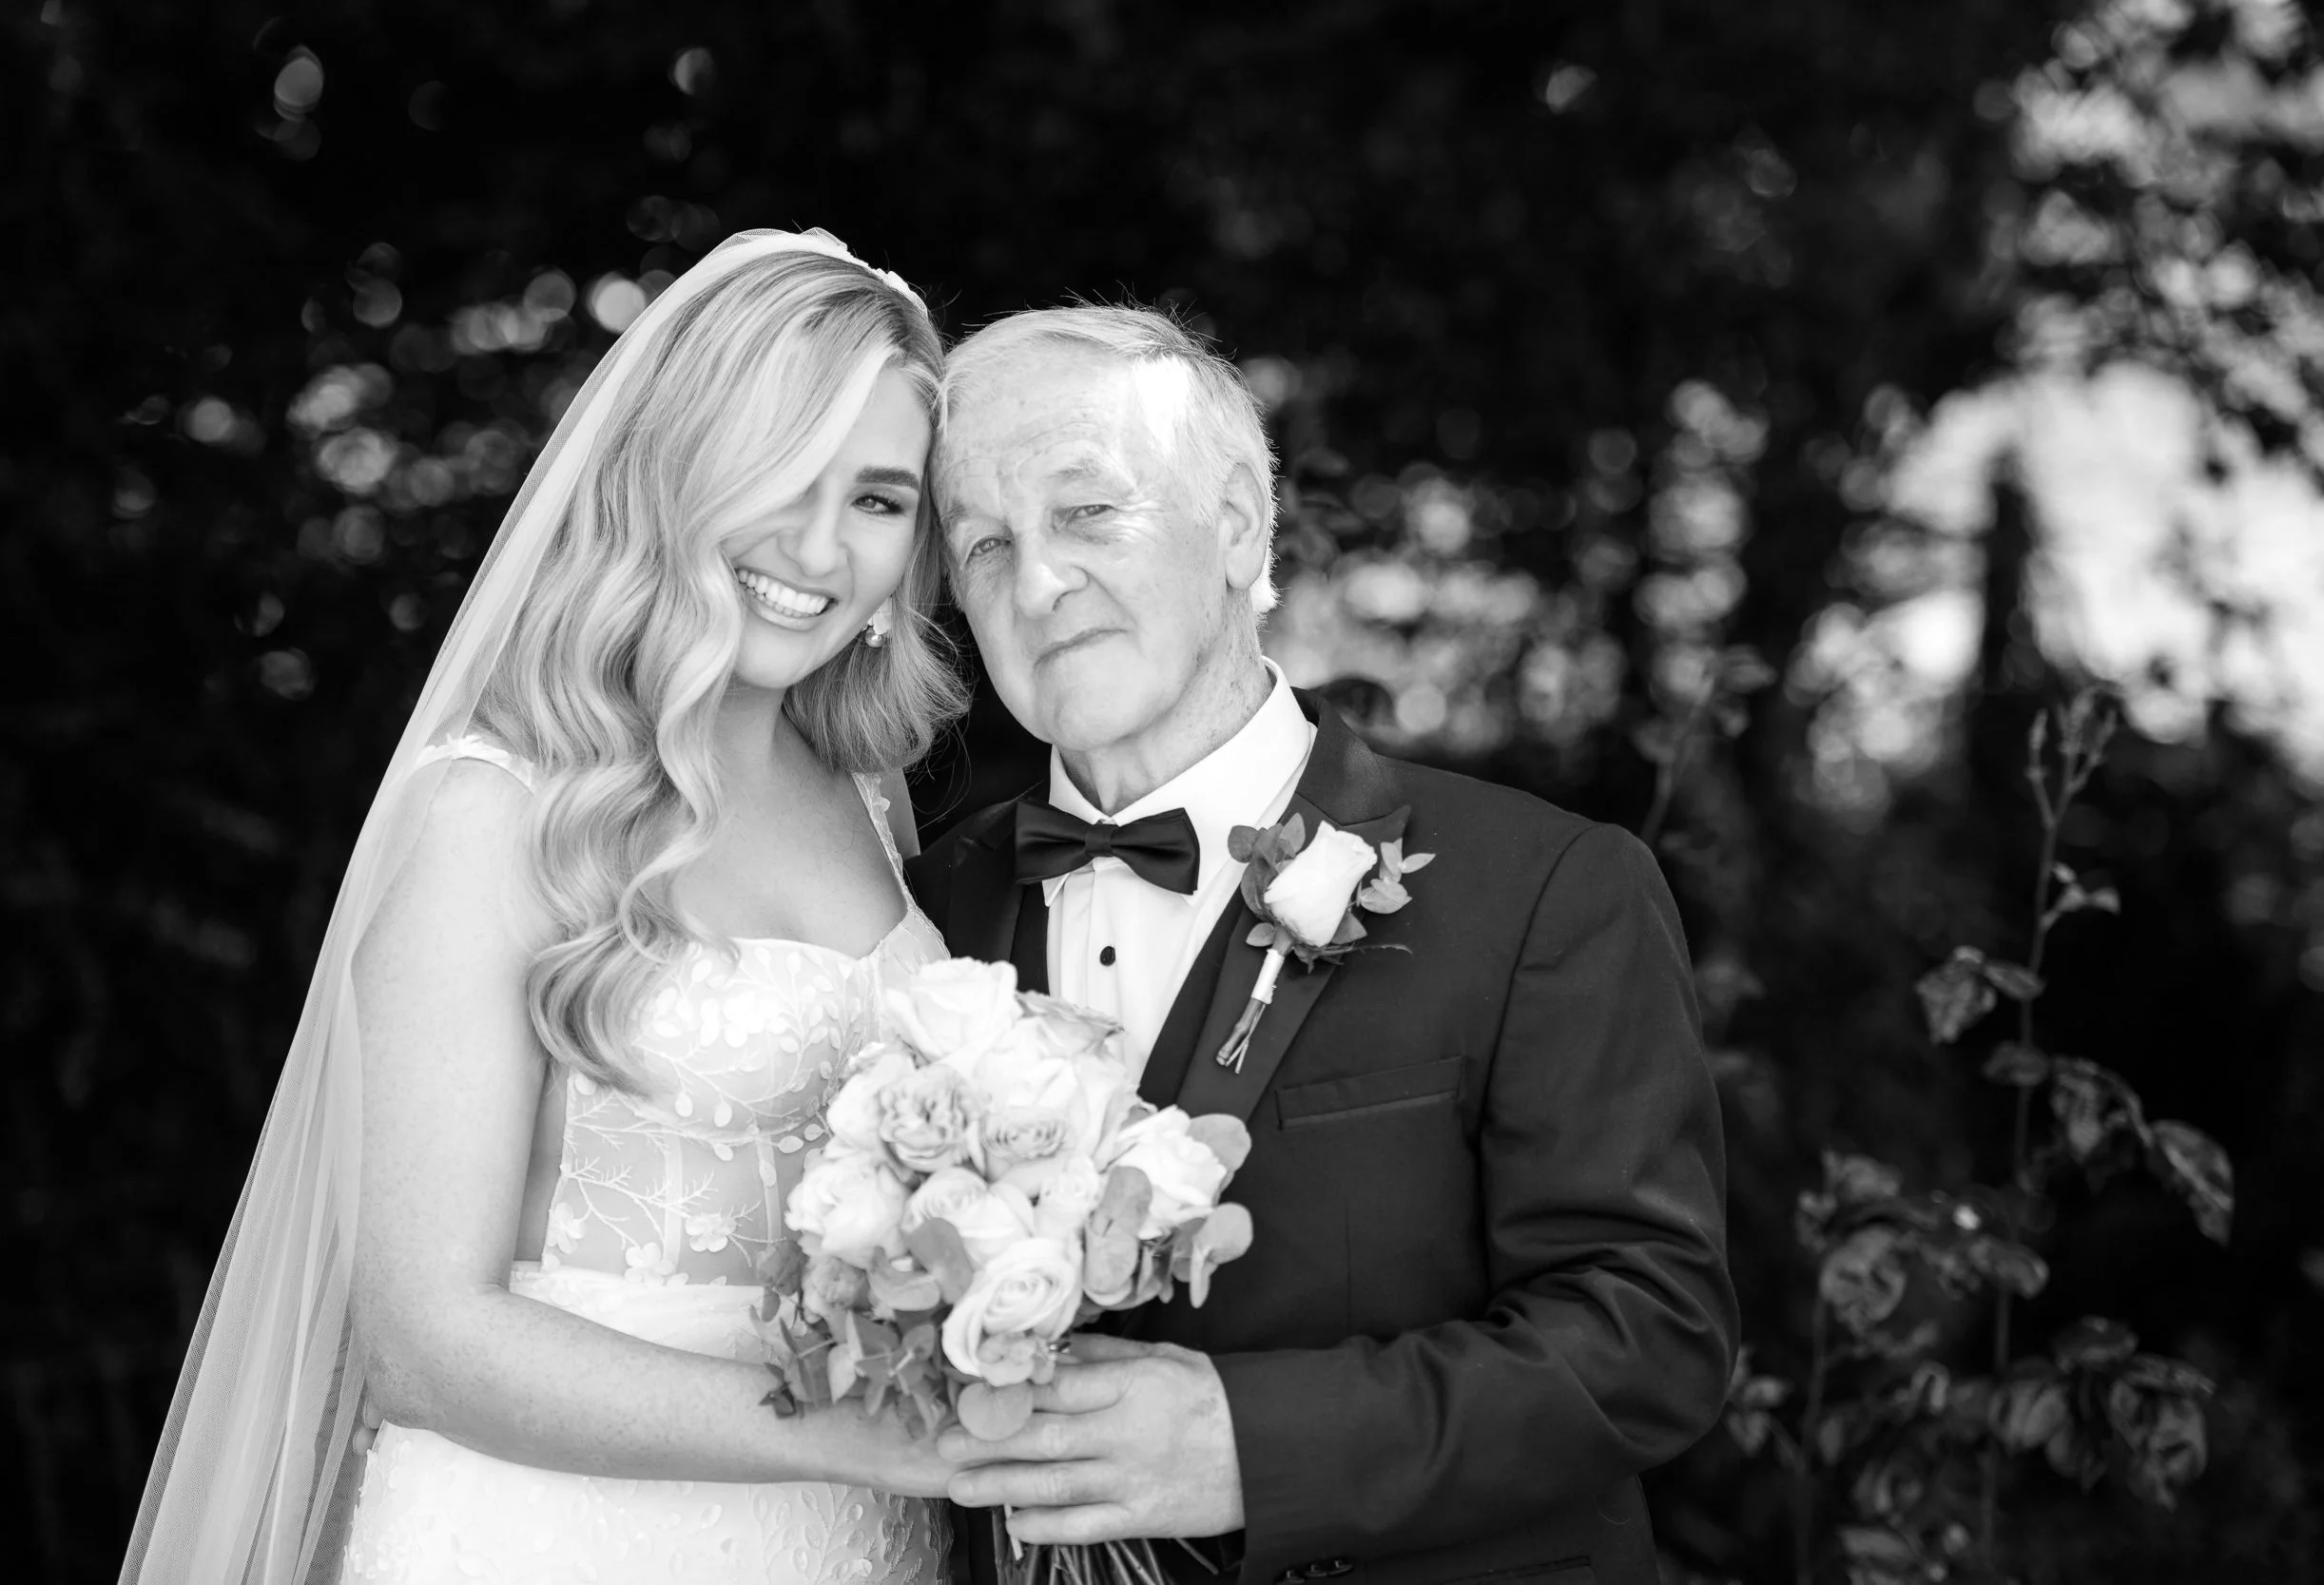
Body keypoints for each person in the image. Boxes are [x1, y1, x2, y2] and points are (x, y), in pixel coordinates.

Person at [122, 230, 975, 1585]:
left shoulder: (866, 800)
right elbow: (422, 1338)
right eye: (782, 472)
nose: (821, 546)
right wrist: (857, 1432)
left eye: (878, 499)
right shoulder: (500, 808)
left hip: (858, 1542)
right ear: (676, 469)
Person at [905, 305, 1737, 1585]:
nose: (1036, 582)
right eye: (984, 541)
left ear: (1237, 520)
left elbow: (1651, 1332)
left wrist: (1251, 1443)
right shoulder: (910, 915)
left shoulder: (1545, 891)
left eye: (1088, 514)